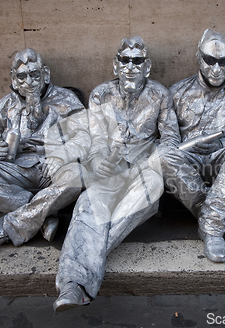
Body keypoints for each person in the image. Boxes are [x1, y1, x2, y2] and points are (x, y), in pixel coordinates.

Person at [53, 36, 180, 312]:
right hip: (111, 170)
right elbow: (96, 139)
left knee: (146, 193)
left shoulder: (160, 95)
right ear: (115, 65)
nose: (131, 66)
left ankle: (78, 274)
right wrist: (97, 159)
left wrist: (155, 158)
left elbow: (171, 140)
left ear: (147, 67)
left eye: (138, 61)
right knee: (88, 203)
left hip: (146, 171)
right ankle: (72, 286)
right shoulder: (100, 94)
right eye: (125, 60)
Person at [0, 48, 89, 252]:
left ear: (45, 73)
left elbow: (85, 138)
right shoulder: (4, 106)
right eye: (22, 76)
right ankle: (41, 214)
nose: (30, 81)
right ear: (14, 78)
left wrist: (61, 155)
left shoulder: (66, 99)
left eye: (35, 74)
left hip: (52, 169)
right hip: (15, 168)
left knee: (78, 176)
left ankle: (8, 227)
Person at [160, 29, 225, 263]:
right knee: (161, 153)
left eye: (223, 61)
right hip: (189, 160)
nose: (216, 68)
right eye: (210, 61)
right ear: (199, 58)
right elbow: (168, 139)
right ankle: (221, 214)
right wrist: (185, 146)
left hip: (223, 161)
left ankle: (211, 227)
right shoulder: (177, 92)